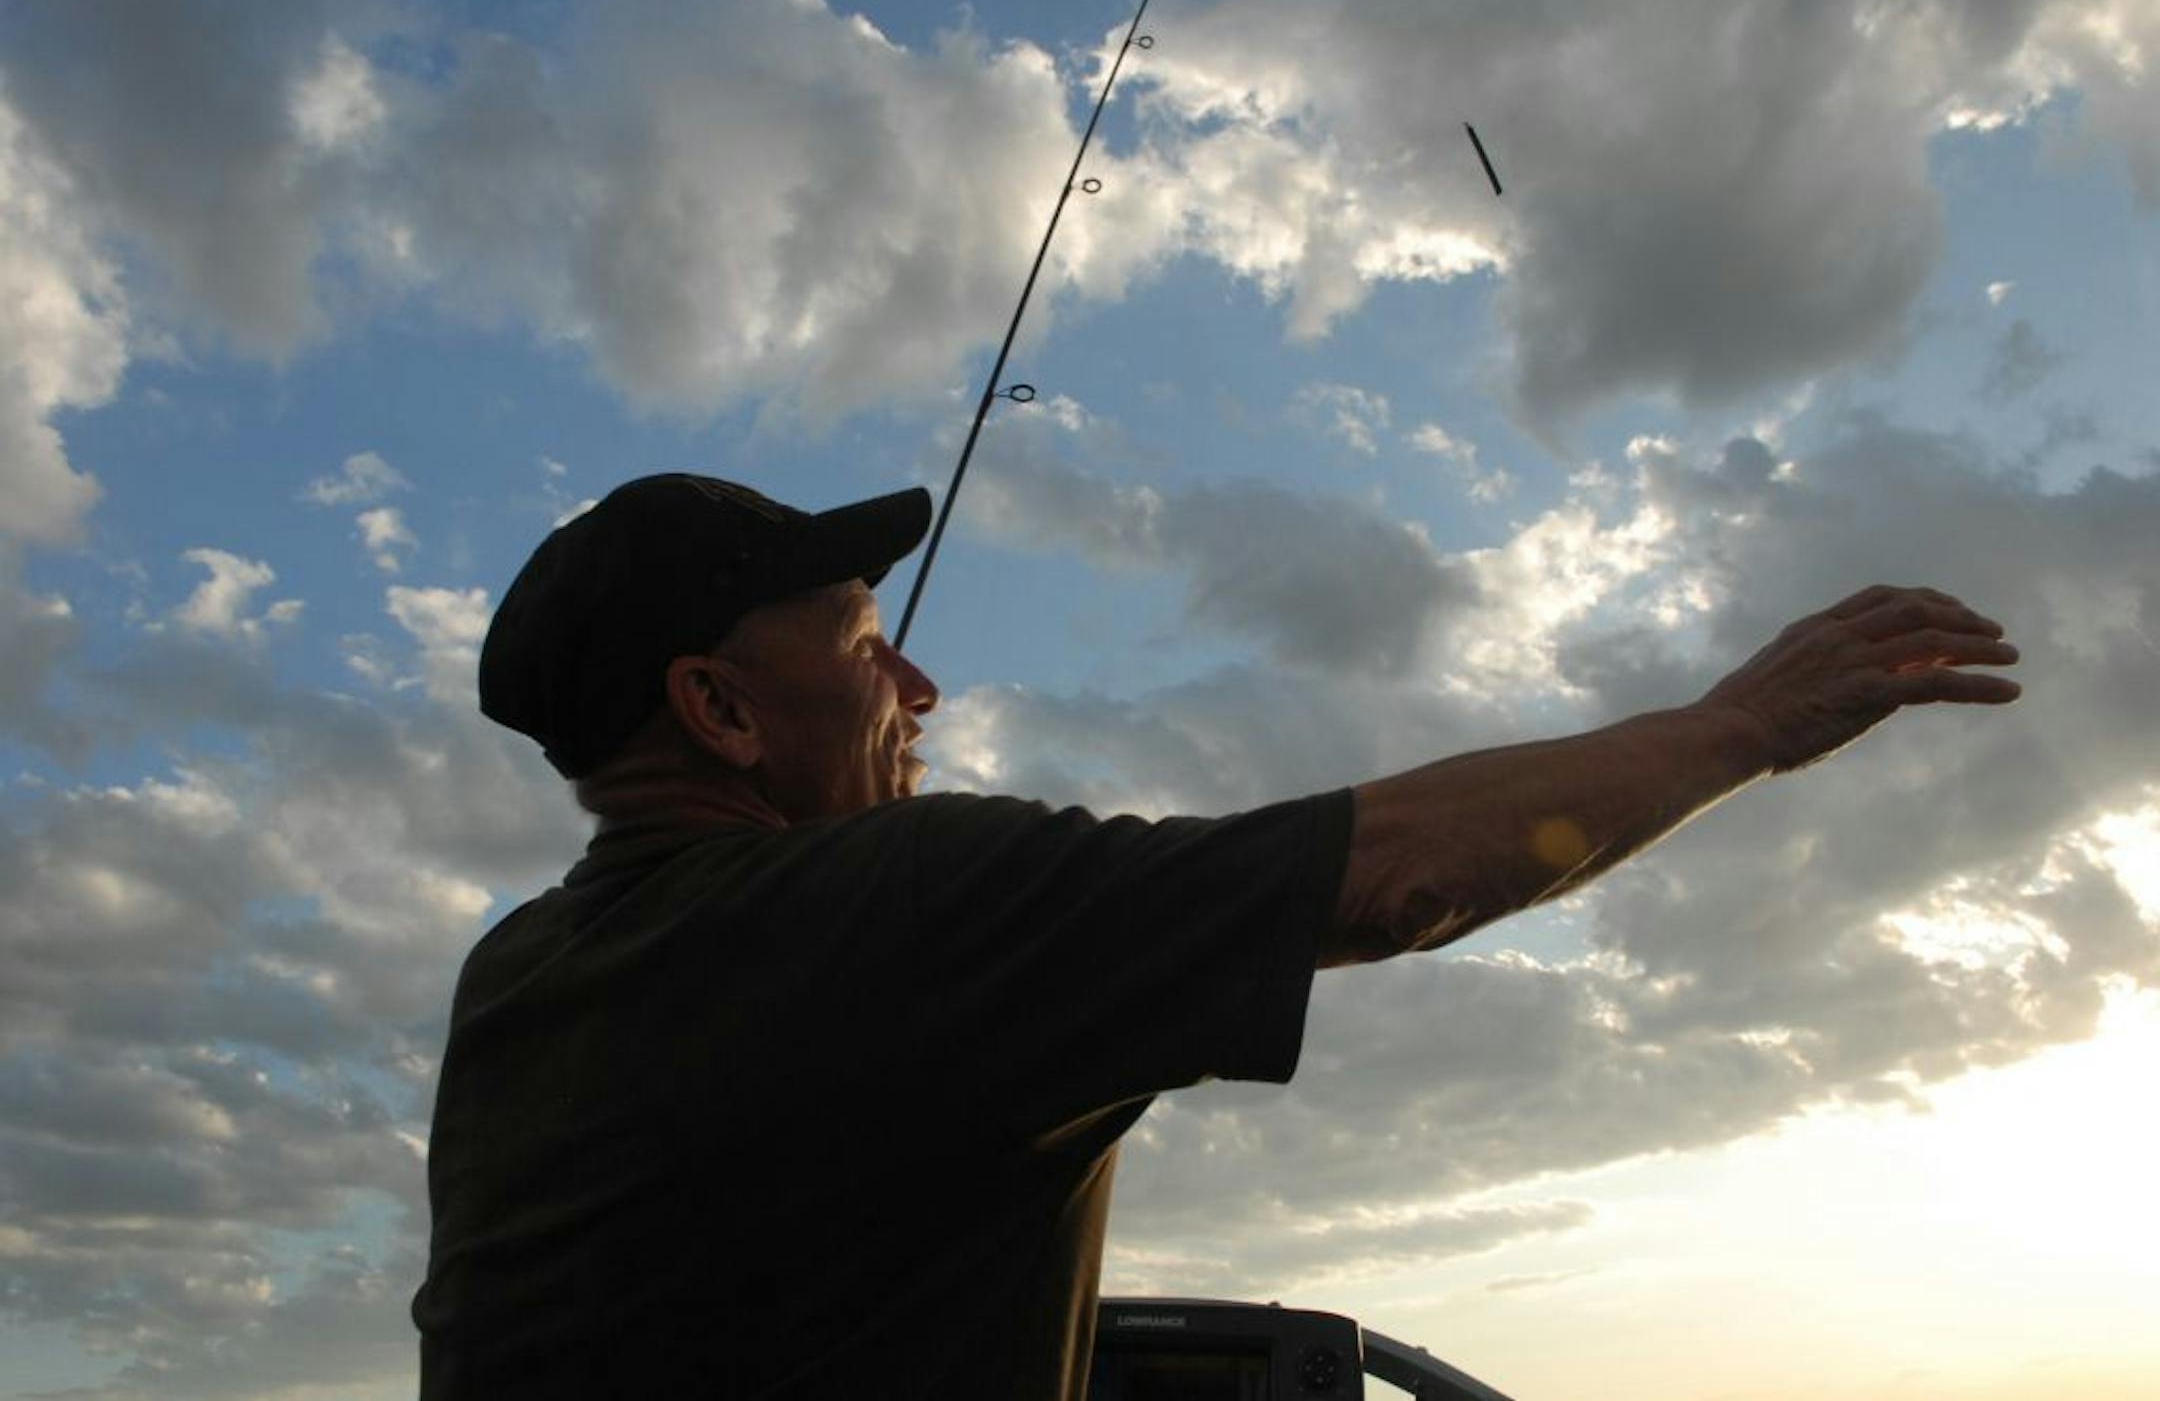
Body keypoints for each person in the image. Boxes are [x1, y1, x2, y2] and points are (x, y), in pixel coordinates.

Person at [410, 472, 2021, 1398]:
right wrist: (1742, 723)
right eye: (867, 647)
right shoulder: (901, 903)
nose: (919, 693)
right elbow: (1393, 873)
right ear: (717, 709)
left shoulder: (519, 972)